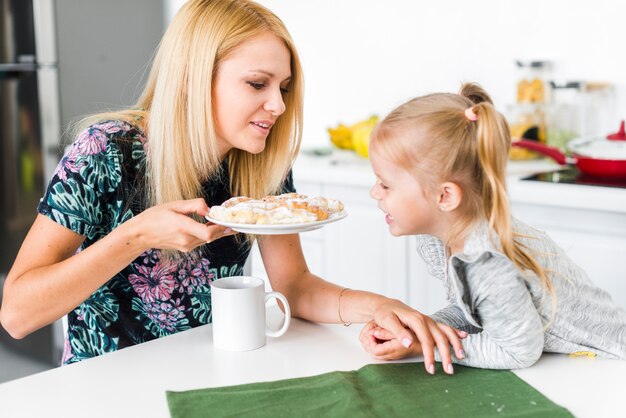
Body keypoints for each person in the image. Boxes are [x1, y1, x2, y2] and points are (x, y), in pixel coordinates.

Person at [0, 0, 463, 374]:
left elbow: (295, 287)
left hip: (211, 372)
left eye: (283, 87)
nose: (278, 105)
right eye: (258, 84)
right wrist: (136, 236)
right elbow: (17, 315)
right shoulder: (106, 151)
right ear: (192, 80)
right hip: (105, 383)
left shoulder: (261, 164)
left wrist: (384, 307)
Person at [359, 82, 626, 369]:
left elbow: (519, 351)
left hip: (609, 364)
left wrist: (434, 345)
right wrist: (425, 330)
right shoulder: (443, 235)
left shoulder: (484, 259)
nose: (374, 193)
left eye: (385, 184)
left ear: (445, 196)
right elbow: (475, 309)